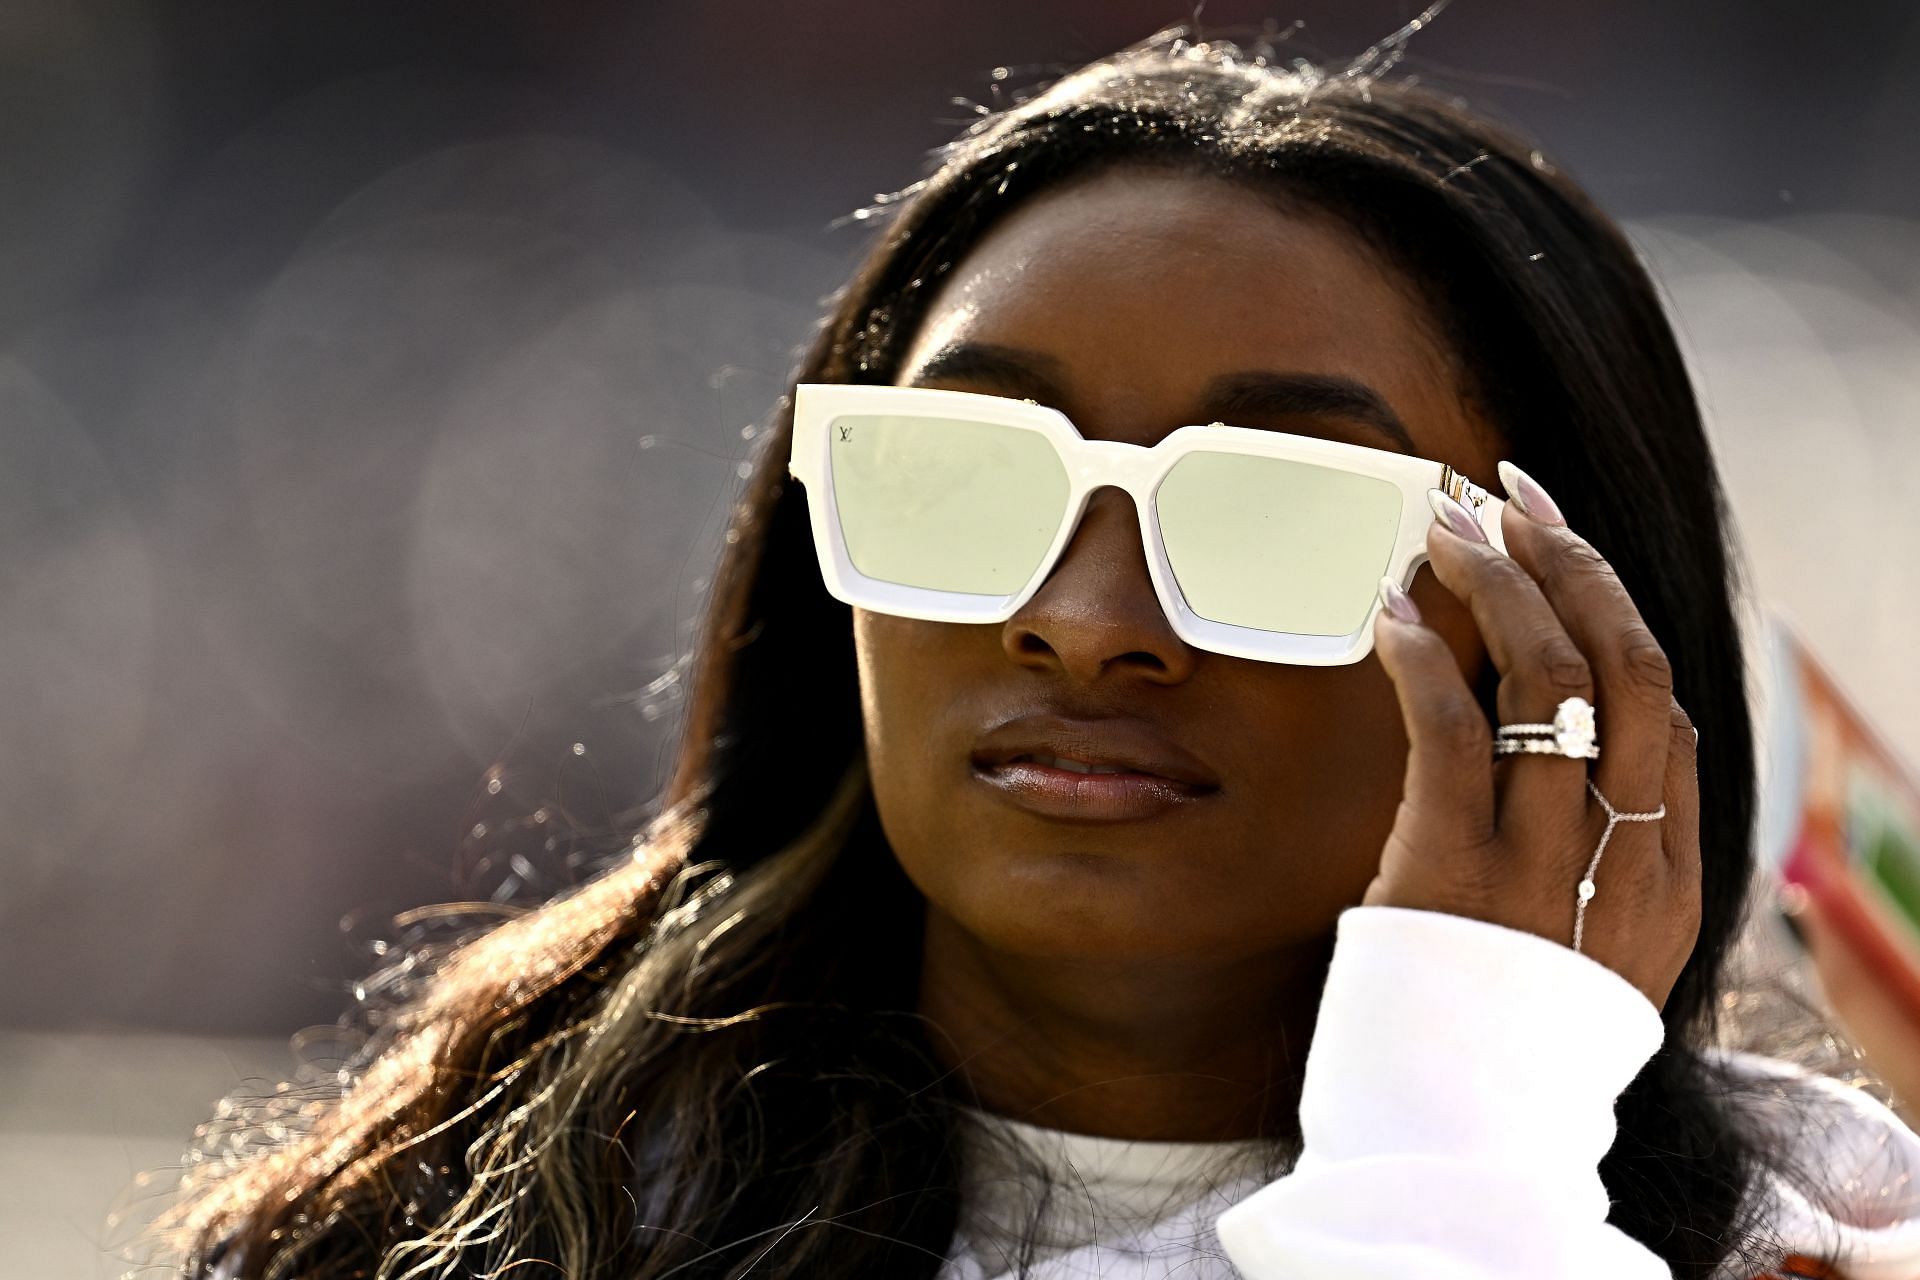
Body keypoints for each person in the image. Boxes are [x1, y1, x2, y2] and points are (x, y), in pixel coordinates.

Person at [146, 19, 1920, 1280]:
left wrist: (1470, 1165)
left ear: (1577, 649)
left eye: (1278, 510)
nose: (1079, 619)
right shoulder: (426, 1233)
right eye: (961, 477)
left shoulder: (1828, 1236)